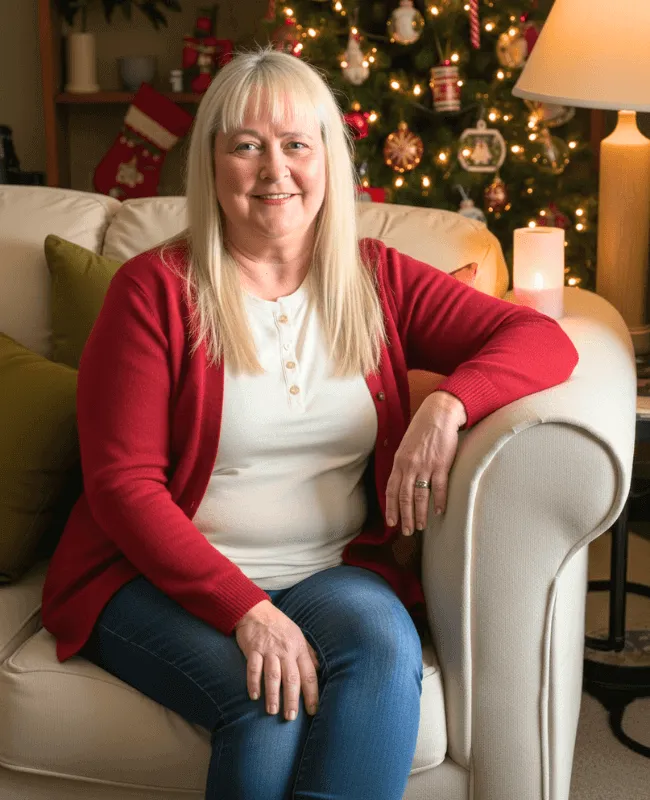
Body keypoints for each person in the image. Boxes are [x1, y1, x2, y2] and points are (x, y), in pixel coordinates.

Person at [41, 46, 579, 800]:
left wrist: (448, 403)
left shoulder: (374, 278)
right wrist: (247, 612)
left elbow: (542, 340)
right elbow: (122, 486)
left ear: (328, 158)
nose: (274, 169)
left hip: (327, 568)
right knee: (270, 712)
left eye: (297, 143)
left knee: (386, 652)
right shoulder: (154, 292)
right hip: (149, 579)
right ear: (212, 164)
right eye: (246, 146)